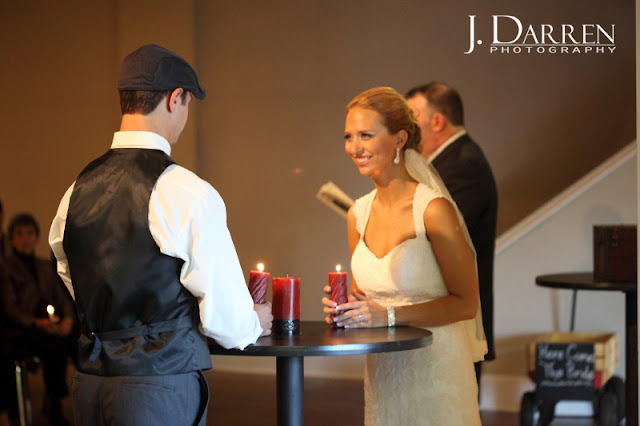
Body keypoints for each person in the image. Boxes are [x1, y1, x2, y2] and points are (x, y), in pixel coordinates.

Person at [49, 44, 273, 426]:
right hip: (157, 387)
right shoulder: (186, 191)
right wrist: (256, 319)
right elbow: (228, 323)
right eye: (187, 104)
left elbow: (70, 273)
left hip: (89, 385)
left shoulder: (75, 190)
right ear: (175, 99)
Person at [322, 87, 487, 425]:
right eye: (349, 136)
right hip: (385, 377)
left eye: (366, 135)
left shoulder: (433, 210)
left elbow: (466, 303)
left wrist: (389, 315)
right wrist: (346, 309)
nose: (354, 147)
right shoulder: (358, 214)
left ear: (399, 139)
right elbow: (366, 299)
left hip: (437, 373)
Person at [406, 82, 498, 385]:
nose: (406, 128)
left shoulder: (463, 165)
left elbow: (445, 237)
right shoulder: (447, 162)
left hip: (456, 311)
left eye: (412, 116)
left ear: (437, 121)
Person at [1, 213, 76, 426]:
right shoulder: (5, 267)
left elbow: (61, 298)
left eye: (30, 233)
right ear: (12, 238)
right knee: (54, 346)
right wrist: (36, 323)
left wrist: (68, 320)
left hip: (48, 324)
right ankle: (54, 407)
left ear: (37, 236)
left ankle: (70, 400)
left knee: (72, 340)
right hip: (23, 329)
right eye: (20, 234)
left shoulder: (44, 265)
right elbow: (10, 307)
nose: (26, 239)